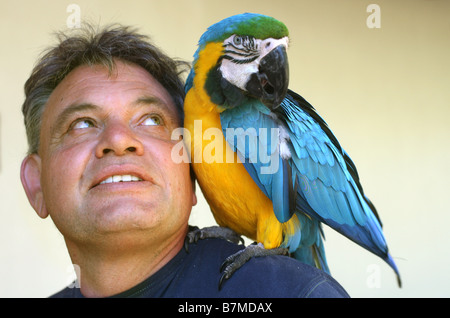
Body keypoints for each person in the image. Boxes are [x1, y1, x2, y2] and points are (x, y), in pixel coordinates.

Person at [20, 24, 350, 298]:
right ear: (36, 184)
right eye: (82, 123)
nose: (119, 141)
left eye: (151, 119)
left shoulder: (292, 293)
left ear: (191, 171)